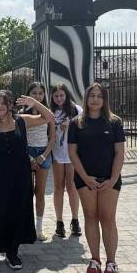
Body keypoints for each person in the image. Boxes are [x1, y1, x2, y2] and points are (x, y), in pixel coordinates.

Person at [0, 91, 54, 269]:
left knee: (16, 211)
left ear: (10, 105)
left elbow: (49, 117)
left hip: (20, 175)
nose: (0, 106)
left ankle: (12, 251)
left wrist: (35, 102)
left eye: (3, 103)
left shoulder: (22, 121)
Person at [68, 82, 126, 273]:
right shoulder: (76, 123)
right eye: (92, 95)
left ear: (104, 99)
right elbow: (72, 153)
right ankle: (95, 260)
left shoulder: (114, 122)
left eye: (99, 96)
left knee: (108, 218)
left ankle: (111, 262)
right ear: (86, 98)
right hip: (85, 179)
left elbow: (119, 153)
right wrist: (85, 178)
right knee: (91, 217)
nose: (95, 99)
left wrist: (113, 179)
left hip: (110, 179)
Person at [50, 83, 83, 239]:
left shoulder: (76, 109)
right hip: (57, 153)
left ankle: (75, 220)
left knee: (72, 187)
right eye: (56, 96)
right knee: (58, 187)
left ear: (66, 95)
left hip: (72, 153)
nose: (59, 98)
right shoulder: (50, 111)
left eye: (61, 95)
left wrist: (70, 122)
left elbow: (84, 124)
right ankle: (59, 222)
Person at [23, 82, 54, 240]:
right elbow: (19, 138)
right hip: (26, 153)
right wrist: (29, 157)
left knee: (40, 192)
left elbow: (52, 137)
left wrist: (43, 156)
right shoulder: (22, 113)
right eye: (34, 93)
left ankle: (39, 229)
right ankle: (25, 228)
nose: (37, 96)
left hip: (44, 153)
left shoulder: (47, 113)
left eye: (40, 93)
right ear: (28, 94)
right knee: (26, 193)